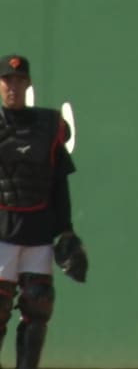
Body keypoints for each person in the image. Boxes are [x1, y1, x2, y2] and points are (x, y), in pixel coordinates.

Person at [0, 54, 86, 369]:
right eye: (7, 80)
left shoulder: (48, 127)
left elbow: (58, 183)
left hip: (38, 234)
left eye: (20, 80)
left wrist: (67, 231)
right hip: (1, 233)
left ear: (28, 84)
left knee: (38, 308)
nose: (13, 86)